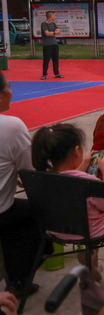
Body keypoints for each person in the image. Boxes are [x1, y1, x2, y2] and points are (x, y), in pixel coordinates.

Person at [31, 123, 104, 280]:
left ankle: (91, 262)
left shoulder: (40, 179)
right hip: (92, 230)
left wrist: (83, 165)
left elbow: (68, 180)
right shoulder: (87, 182)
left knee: (90, 209)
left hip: (56, 229)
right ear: (77, 151)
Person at [0, 72, 44, 299]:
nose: (11, 92)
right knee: (39, 215)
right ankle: (18, 280)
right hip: (2, 210)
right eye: (8, 87)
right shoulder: (11, 126)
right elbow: (31, 174)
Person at [40, 11, 63, 80]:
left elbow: (58, 31)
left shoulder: (53, 24)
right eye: (54, 16)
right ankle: (44, 74)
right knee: (46, 60)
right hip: (47, 44)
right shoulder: (44, 24)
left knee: (55, 59)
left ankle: (57, 73)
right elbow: (47, 33)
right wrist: (54, 33)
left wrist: (53, 33)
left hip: (54, 44)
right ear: (50, 16)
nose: (55, 17)